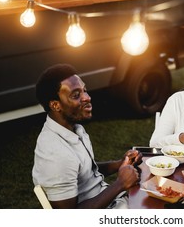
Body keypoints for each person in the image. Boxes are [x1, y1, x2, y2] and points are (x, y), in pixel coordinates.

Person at [32, 64, 142, 209]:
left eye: (84, 91)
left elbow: (85, 172)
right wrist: (120, 184)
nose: (87, 98)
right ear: (55, 105)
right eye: (76, 95)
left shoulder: (74, 128)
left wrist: (120, 163)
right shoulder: (56, 154)